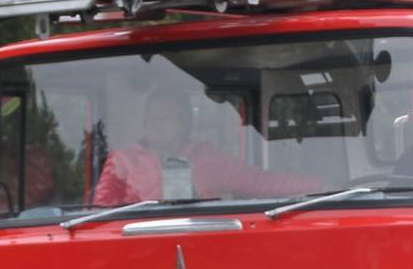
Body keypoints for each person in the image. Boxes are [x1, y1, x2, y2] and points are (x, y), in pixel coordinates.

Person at [92, 88, 321, 206]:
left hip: (198, 243)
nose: (157, 124)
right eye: (152, 117)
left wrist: (321, 187)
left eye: (166, 117)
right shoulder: (122, 160)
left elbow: (262, 182)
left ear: (185, 124)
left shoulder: (207, 158)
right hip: (137, 248)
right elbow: (101, 213)